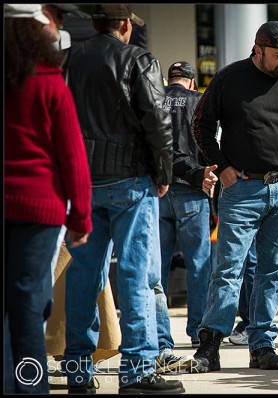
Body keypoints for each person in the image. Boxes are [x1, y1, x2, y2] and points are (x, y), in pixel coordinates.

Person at [191, 20, 278, 372]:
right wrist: (220, 164)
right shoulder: (228, 78)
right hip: (242, 189)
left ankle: (262, 345)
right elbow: (201, 125)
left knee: (272, 272)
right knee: (228, 269)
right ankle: (210, 345)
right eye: (277, 55)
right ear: (258, 50)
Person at [62, 4, 184, 394]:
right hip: (130, 180)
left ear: (95, 24)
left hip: (82, 181)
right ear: (126, 25)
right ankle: (137, 371)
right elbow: (157, 120)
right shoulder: (139, 59)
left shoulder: (69, 60)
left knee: (83, 275)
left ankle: (79, 372)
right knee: (135, 274)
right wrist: (164, 174)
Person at [4, 4, 92, 393]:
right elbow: (72, 156)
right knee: (28, 304)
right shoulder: (50, 80)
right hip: (39, 209)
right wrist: (81, 219)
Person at [155, 60, 218, 372]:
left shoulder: (154, 96)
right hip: (193, 189)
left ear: (170, 80)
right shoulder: (200, 102)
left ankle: (159, 337)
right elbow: (211, 144)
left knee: (158, 266)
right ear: (192, 82)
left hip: (157, 191)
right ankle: (196, 331)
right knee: (199, 265)